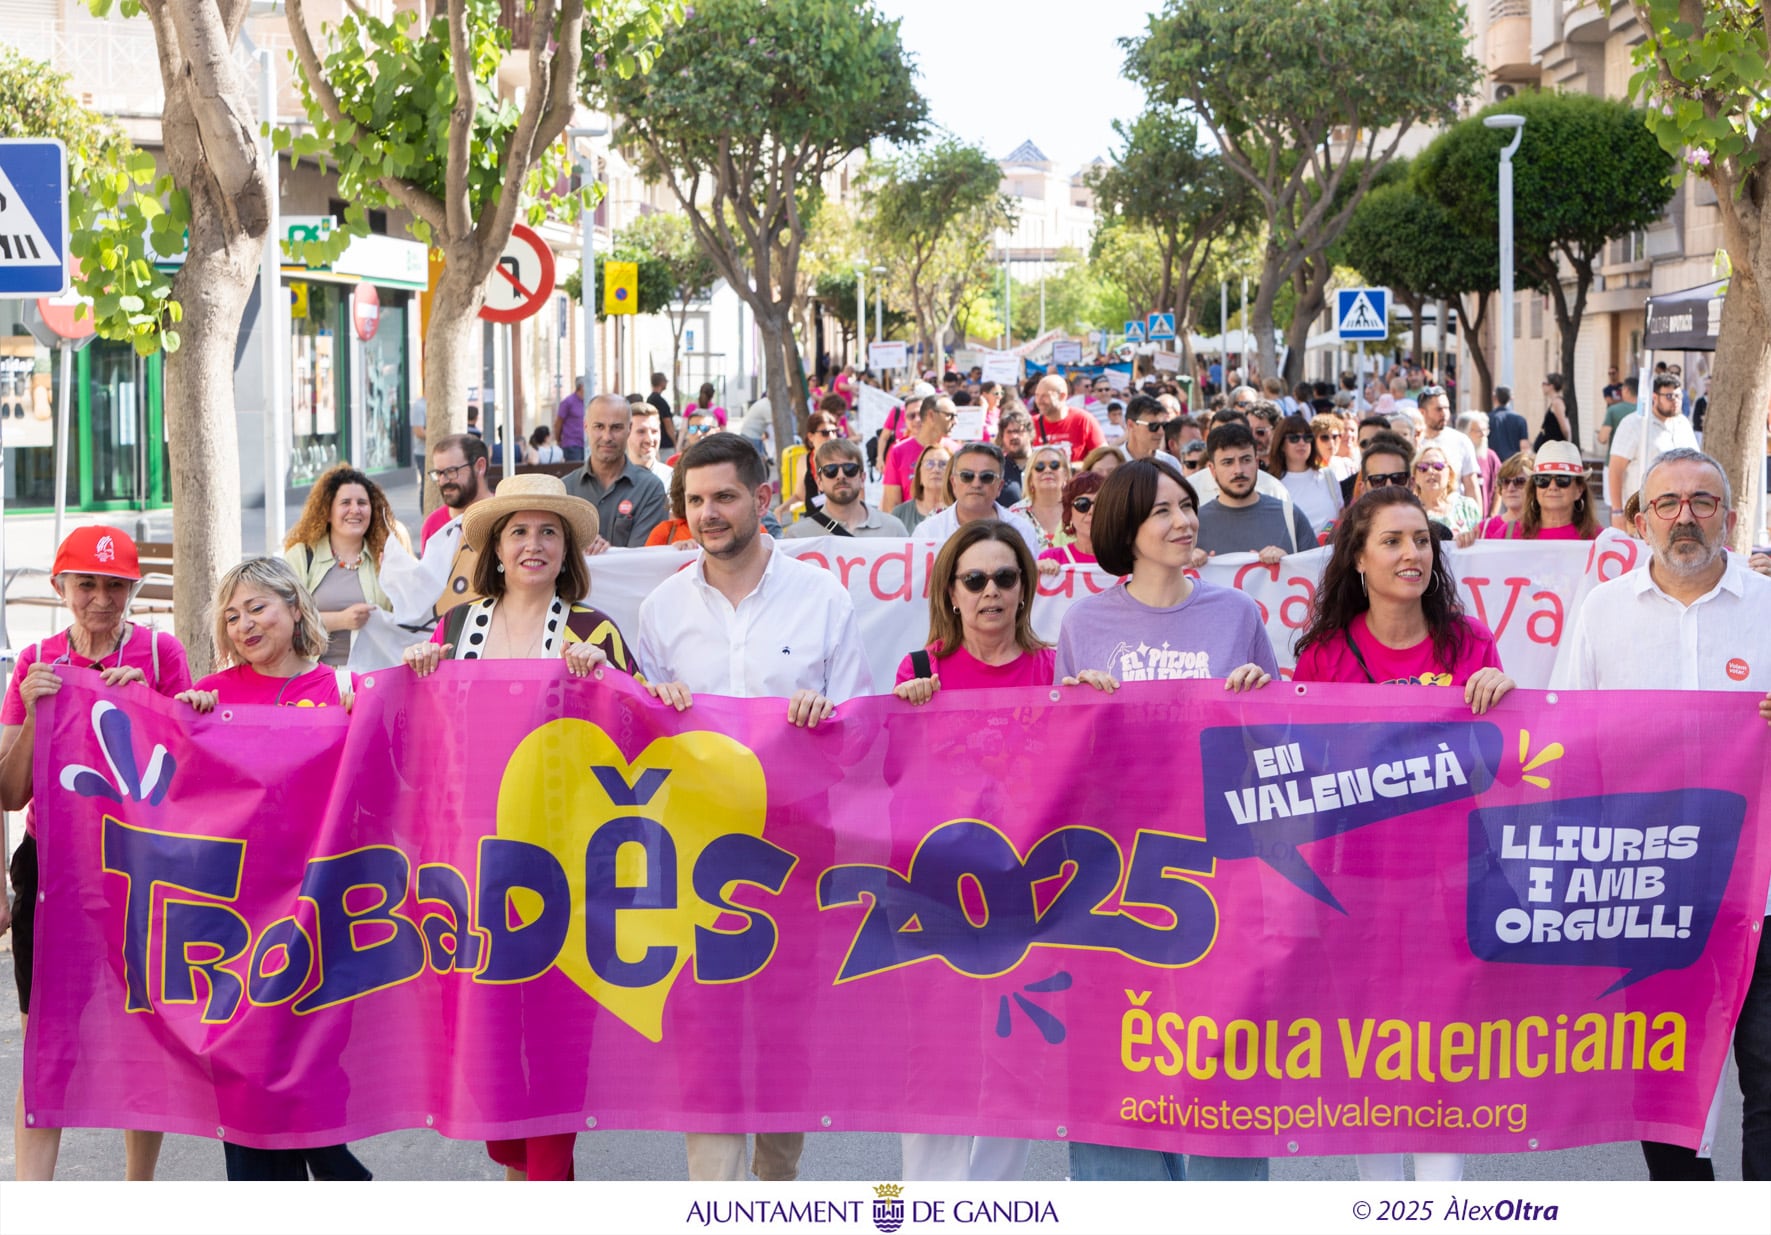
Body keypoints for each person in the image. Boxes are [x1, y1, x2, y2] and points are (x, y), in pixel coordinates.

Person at [633, 432, 871, 1184]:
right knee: (702, 1035)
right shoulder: (661, 608)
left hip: (797, 855)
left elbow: (862, 729)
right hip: (694, 857)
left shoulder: (822, 597)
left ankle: (775, 1187)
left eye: (724, 497)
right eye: (696, 500)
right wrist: (656, 710)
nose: (709, 513)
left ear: (762, 499)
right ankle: (715, 1204)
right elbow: (634, 744)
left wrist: (824, 714)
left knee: (784, 1035)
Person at [395, 476, 637, 1181]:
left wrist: (607, 683)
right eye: (519, 532)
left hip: (567, 877)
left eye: (548, 532)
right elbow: (421, 745)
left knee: (553, 1075)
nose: (533, 544)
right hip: (474, 876)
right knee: (496, 1078)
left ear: (567, 550)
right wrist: (417, 681)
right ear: (495, 548)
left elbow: (638, 744)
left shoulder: (594, 631)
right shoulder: (453, 628)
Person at [1552, 446, 1771, 1183]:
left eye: (1701, 502)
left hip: (1761, 897)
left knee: (1768, 1086)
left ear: (1729, 518)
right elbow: (1564, 742)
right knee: (1665, 1089)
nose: (1685, 517)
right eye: (1668, 503)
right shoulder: (1602, 613)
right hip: (1651, 897)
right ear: (1639, 520)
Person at [1054, 457, 1276, 1183]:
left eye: (1187, 505)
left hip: (1218, 884)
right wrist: (1076, 706)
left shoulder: (1236, 614)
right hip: (1115, 890)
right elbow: (1059, 769)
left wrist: (1259, 703)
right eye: (1162, 511)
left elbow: (1275, 753)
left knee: (1222, 1084)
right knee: (1115, 1077)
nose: (1184, 520)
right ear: (1125, 527)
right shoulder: (1083, 622)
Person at [1291, 484, 1513, 1184]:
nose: (1411, 553)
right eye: (1391, 540)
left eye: (1420, 539)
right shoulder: (1323, 653)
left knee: (1438, 1058)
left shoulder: (1469, 642)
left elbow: (1502, 766)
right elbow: (1296, 766)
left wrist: (1505, 703)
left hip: (1448, 883)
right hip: (1350, 885)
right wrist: (1254, 695)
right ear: (1357, 558)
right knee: (1366, 1055)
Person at [0, 527, 191, 1181]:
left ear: (133, 589)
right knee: (46, 1046)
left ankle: (137, 1193)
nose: (101, 599)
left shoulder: (161, 655)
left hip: (142, 872)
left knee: (145, 1039)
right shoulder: (35, 661)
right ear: (61, 588)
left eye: (115, 585)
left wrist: (147, 704)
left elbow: (191, 772)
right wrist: (29, 713)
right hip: (55, 871)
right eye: (87, 584)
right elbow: (9, 789)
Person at [172, 557, 370, 1180]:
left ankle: (343, 1179)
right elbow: (182, 796)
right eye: (231, 616)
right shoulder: (215, 694)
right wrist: (187, 720)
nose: (243, 625)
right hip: (237, 923)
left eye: (256, 607)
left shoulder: (340, 691)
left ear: (294, 607)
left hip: (316, 918)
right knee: (246, 1085)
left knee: (310, 1081)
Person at [284, 465, 399, 667]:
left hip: (372, 679)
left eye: (362, 503)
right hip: (314, 680)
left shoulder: (387, 557)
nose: (355, 509)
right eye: (345, 502)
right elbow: (283, 621)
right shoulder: (302, 557)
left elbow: (406, 621)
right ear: (327, 512)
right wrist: (341, 620)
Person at [1195, 422, 1315, 561]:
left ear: (1256, 463)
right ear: (1212, 469)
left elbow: (1315, 572)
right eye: (1228, 462)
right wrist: (1184, 565)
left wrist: (1288, 565)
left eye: (1246, 460)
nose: (1238, 470)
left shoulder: (1289, 515)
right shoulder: (1193, 525)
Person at [564, 393, 668, 548]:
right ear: (586, 427)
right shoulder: (564, 490)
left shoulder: (650, 489)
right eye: (599, 426)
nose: (607, 437)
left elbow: (643, 559)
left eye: (616, 427)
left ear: (629, 428)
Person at [913, 442, 1042, 554]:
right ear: (953, 483)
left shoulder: (1022, 531)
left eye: (987, 477)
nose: (976, 484)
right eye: (967, 476)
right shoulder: (927, 533)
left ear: (1000, 487)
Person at [1609, 373, 1697, 529]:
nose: (1675, 401)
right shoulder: (1634, 424)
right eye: (1669, 396)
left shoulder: (1683, 424)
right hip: (1641, 513)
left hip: (1678, 513)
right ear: (1655, 397)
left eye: (1678, 396)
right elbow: (1616, 469)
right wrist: (1617, 511)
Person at [784, 438, 909, 538]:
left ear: (862, 478)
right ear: (819, 482)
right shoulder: (798, 537)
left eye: (850, 469)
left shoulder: (894, 530)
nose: (841, 476)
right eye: (830, 470)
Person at [1503, 441, 1600, 540]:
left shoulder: (1600, 540)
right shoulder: (1508, 534)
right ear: (1535, 488)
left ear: (1579, 490)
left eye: (1562, 479)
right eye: (1543, 479)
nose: (1552, 487)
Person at [419, 433, 493, 553]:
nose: (442, 481)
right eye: (438, 473)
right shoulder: (433, 525)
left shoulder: (503, 519)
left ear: (480, 467)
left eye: (451, 471)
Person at [1270, 412, 1342, 534]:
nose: (1302, 443)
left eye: (1307, 437)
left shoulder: (1328, 476)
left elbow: (1341, 515)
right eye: (1294, 438)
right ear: (1281, 445)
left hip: (1331, 551)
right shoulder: (1273, 485)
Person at [881, 396, 952, 512]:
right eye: (911, 416)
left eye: (920, 414)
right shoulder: (898, 451)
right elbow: (891, 503)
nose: (917, 420)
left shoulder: (954, 449)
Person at [1417, 385, 1481, 503]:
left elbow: (1471, 485)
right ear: (1422, 412)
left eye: (1447, 408)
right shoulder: (1414, 442)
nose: (1445, 414)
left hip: (1455, 516)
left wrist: (1477, 519)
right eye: (1439, 409)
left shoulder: (1461, 441)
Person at [1411, 443, 1481, 546]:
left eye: (1438, 466)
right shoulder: (1409, 511)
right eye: (1423, 467)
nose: (1431, 471)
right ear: (1415, 477)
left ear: (1450, 474)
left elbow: (1480, 544)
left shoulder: (1467, 507)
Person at [1010, 441, 1073, 551]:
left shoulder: (1081, 509)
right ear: (1030, 477)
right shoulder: (1014, 515)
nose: (1048, 470)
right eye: (1040, 466)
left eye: (1054, 465)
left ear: (1066, 474)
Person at [1030, 373, 1104, 462]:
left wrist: (1074, 468)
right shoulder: (1031, 424)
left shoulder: (1084, 420)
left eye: (1045, 396)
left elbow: (1103, 458)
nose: (1039, 401)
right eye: (1037, 395)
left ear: (1062, 396)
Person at [1038, 471, 1104, 569]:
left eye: (1100, 504)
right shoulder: (1051, 559)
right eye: (1082, 504)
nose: (1091, 511)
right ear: (1069, 512)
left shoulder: (1125, 559)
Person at [891, 444, 951, 534]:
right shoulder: (900, 512)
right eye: (929, 464)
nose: (936, 469)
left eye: (943, 464)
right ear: (919, 473)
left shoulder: (960, 513)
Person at [1480, 451, 1534, 540]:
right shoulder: (1484, 528)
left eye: (1520, 482)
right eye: (1506, 482)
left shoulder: (1544, 527)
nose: (1510, 488)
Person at [1458, 411, 1500, 512]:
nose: (1483, 435)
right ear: (1465, 432)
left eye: (1485, 430)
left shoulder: (1491, 456)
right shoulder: (1455, 456)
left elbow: (1499, 488)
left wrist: (1492, 516)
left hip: (1485, 522)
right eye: (1479, 431)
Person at [997, 405, 1034, 505]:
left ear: (1030, 434)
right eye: (1009, 432)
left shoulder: (1042, 464)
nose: (1013, 436)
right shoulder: (998, 469)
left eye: (1018, 431)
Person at [628, 406, 673, 485]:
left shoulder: (672, 479)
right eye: (641, 431)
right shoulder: (610, 481)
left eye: (654, 431)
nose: (649, 439)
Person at [1488, 386, 1529, 461]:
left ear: (1494, 398)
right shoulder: (1520, 419)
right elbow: (1524, 447)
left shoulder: (1487, 418)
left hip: (1494, 463)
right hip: (1513, 465)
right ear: (1511, 398)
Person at [1598, 376, 1639, 451]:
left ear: (1626, 390)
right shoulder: (1646, 412)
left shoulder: (1613, 410)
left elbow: (1602, 439)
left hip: (1615, 459)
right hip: (1637, 460)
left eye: (1622, 389)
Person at [1533, 373, 1572, 449]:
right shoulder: (1555, 402)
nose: (1542, 386)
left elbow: (1565, 427)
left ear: (1551, 386)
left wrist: (1568, 445)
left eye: (1544, 383)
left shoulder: (1557, 403)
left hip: (1554, 447)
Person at [554, 377, 587, 462]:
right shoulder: (568, 402)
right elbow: (558, 422)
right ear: (582, 386)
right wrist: (558, 439)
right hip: (572, 444)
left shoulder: (588, 402)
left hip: (586, 444)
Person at [647, 371, 677, 448]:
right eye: (666, 381)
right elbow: (668, 424)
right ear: (662, 382)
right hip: (665, 445)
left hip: (654, 442)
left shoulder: (649, 400)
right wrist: (675, 442)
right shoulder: (661, 402)